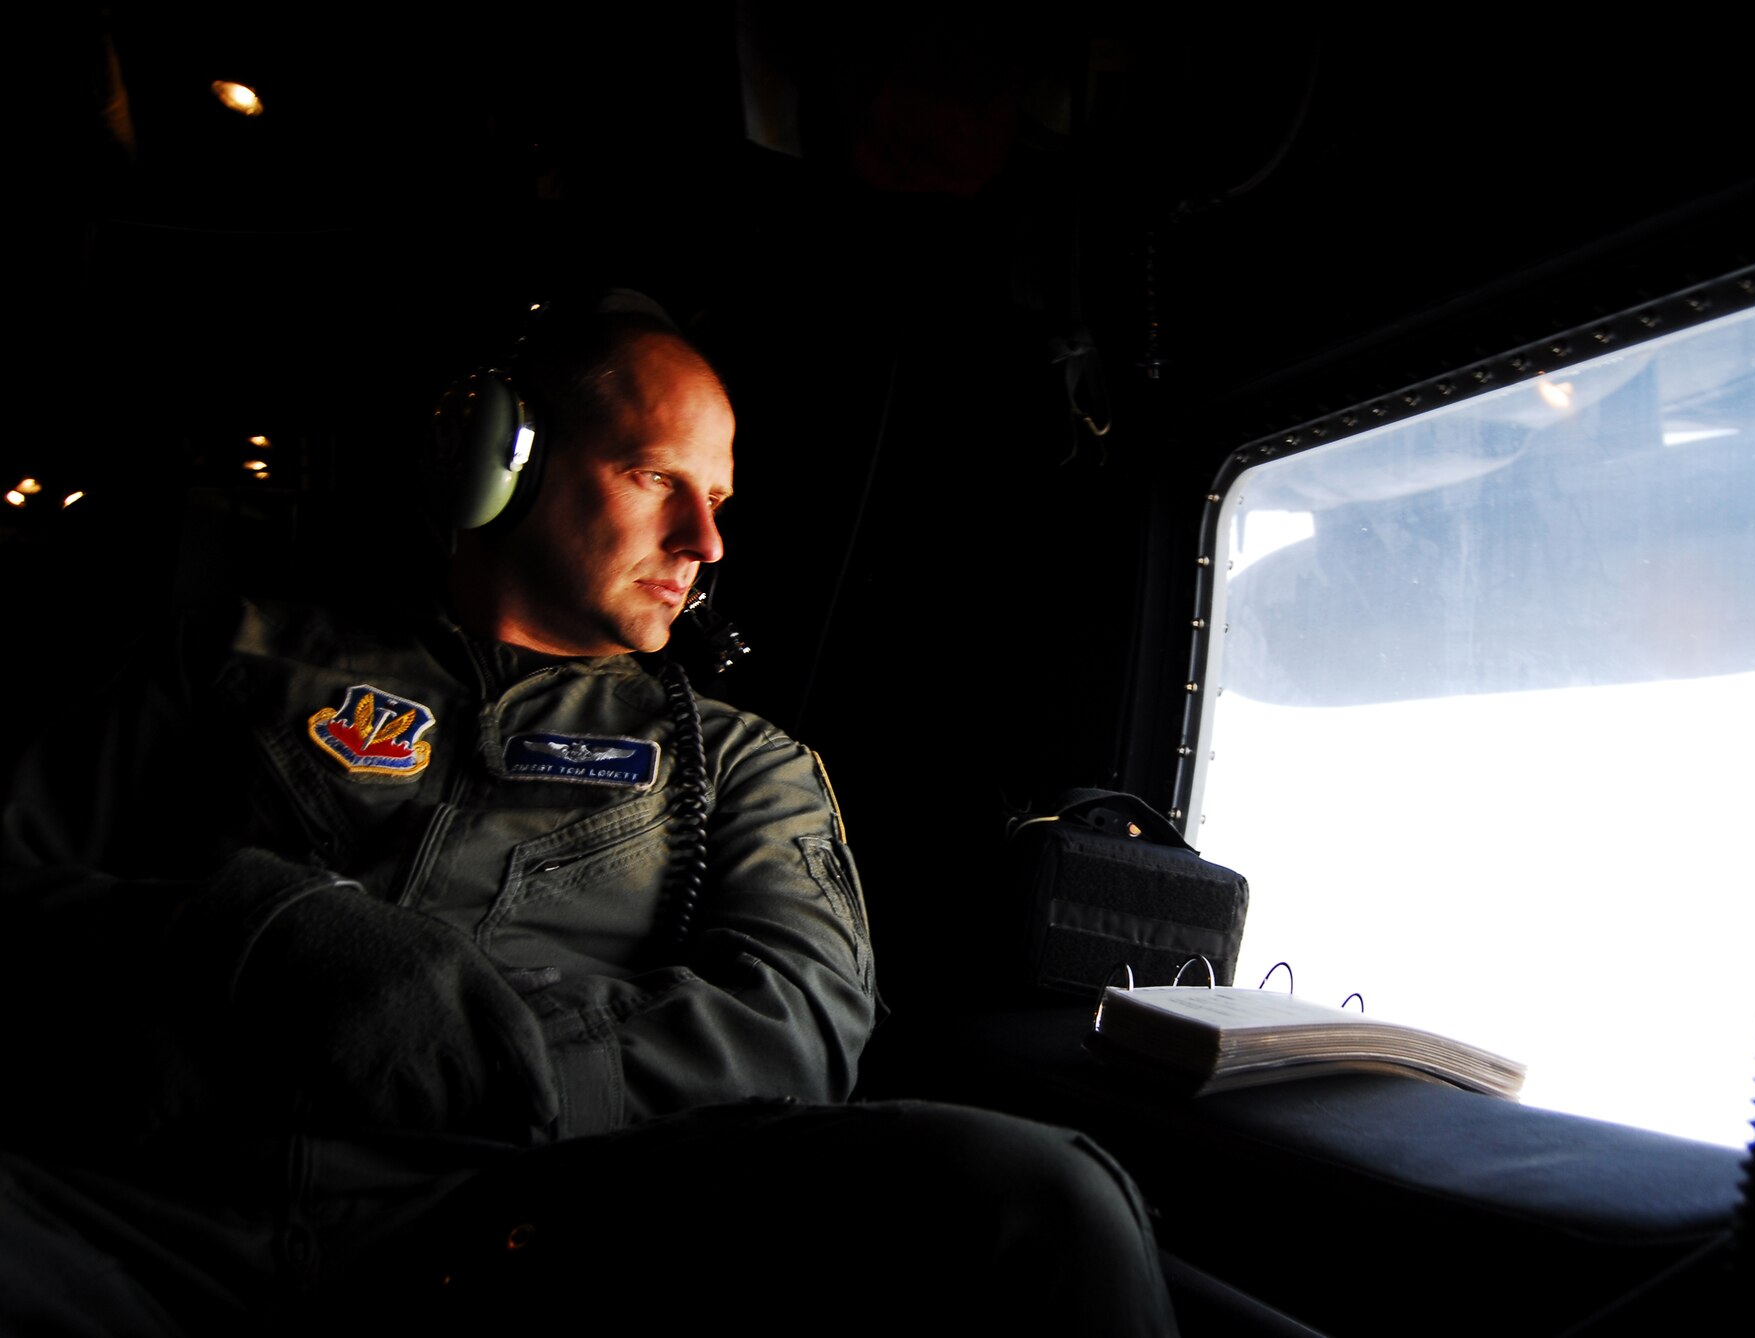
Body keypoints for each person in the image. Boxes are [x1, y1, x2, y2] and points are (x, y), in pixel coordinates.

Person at [0, 291, 1180, 1335]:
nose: (705, 542)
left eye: (715, 499)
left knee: (1038, 1200)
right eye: (656, 476)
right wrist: (260, 941)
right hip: (137, 1200)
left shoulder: (741, 764)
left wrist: (489, 1055)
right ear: (498, 463)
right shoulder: (236, 659)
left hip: (522, 1232)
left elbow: (798, 1023)